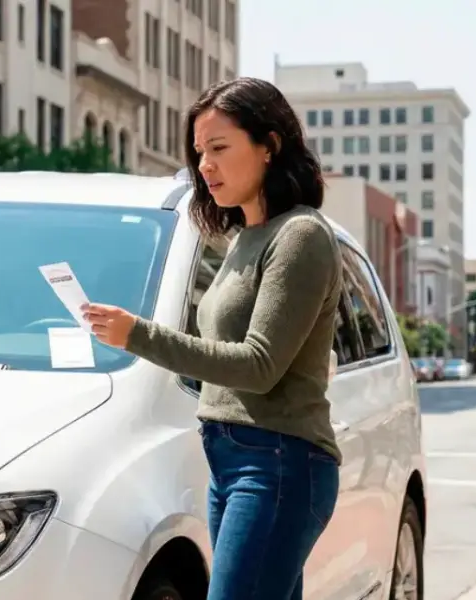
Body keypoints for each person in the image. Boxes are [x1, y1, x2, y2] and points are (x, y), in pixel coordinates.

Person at [82, 77, 343, 600]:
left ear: (268, 146)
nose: (205, 165)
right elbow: (216, 361)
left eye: (220, 148)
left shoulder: (301, 236)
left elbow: (257, 365)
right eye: (200, 152)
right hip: (231, 460)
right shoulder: (245, 239)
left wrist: (138, 334)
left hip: (277, 462)